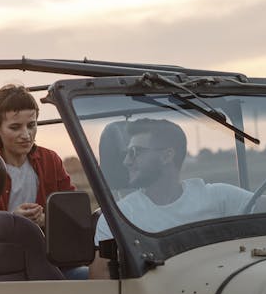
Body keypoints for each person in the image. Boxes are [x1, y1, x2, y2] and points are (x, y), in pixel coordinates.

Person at [90, 118, 251, 278]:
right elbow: (101, 282)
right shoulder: (117, 218)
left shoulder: (220, 197)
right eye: (127, 153)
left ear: (167, 156)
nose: (126, 161)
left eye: (135, 152)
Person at [0, 84, 75, 228]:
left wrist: (45, 220)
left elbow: (72, 209)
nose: (26, 135)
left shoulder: (51, 160)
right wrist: (12, 220)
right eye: (15, 127)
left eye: (31, 125)